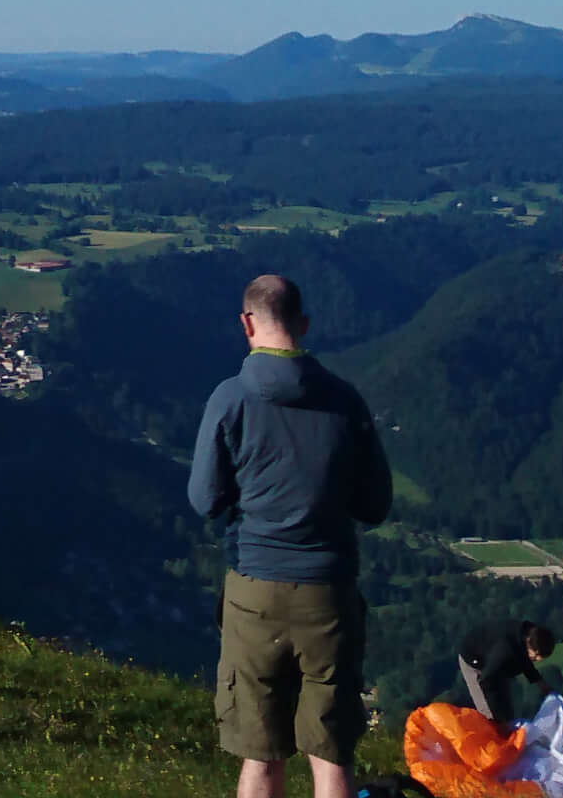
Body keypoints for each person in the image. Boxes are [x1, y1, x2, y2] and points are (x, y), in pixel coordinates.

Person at [187, 270, 393, 798]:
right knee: (331, 755)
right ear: (303, 324)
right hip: (327, 592)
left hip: (254, 589)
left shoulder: (229, 399)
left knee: (261, 755)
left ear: (246, 324)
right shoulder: (345, 402)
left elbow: (205, 499)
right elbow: (375, 505)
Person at [455, 617, 556, 726]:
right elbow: (486, 681)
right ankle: (493, 738)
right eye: (535, 657)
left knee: (506, 713)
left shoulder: (530, 635)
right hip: (474, 660)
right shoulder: (505, 651)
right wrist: (497, 716)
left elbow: (524, 658)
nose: (535, 660)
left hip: (494, 661)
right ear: (529, 644)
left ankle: (508, 734)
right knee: (491, 718)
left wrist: (539, 681)